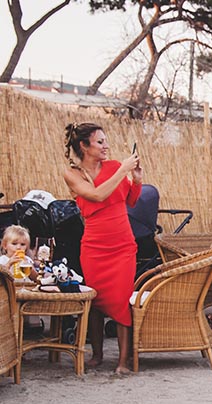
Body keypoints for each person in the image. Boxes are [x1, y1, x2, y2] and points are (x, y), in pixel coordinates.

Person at [62, 122, 141, 375]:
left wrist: (137, 180)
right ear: (84, 146)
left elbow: (131, 200)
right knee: (96, 301)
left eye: (106, 141)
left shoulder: (115, 167)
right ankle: (97, 355)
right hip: (95, 246)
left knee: (120, 300)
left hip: (122, 245)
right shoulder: (72, 174)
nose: (106, 146)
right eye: (100, 142)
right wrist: (124, 171)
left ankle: (123, 361)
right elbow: (96, 195)